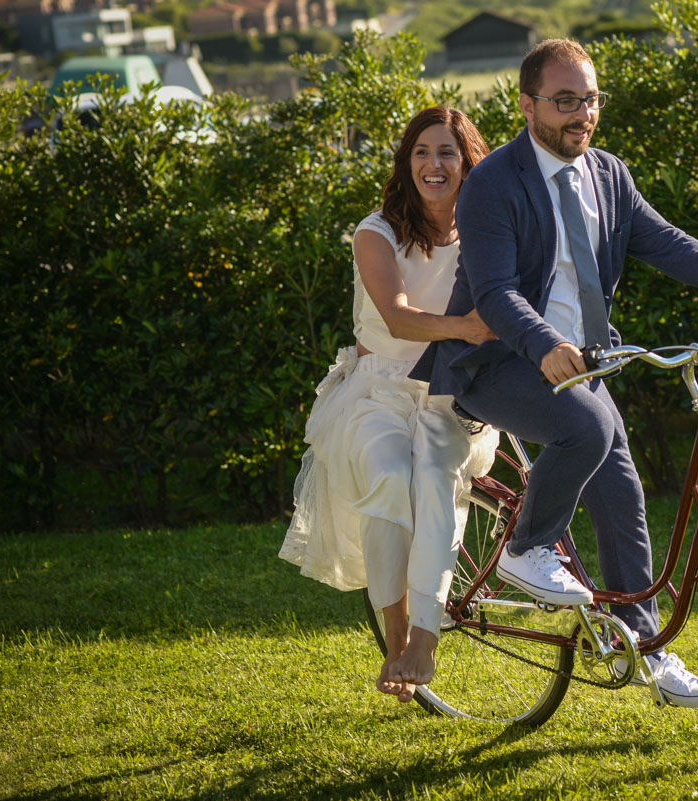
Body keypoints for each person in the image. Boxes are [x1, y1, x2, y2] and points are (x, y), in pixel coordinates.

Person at [411, 40, 698, 708]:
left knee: (623, 494)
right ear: (527, 105)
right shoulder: (492, 183)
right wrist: (542, 340)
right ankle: (527, 547)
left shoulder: (609, 174)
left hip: (583, 361)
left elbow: (664, 242)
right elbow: (493, 291)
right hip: (498, 360)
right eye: (565, 101)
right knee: (584, 429)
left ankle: (645, 646)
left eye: (591, 99)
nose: (582, 114)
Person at [280, 106, 499, 703]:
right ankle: (396, 634)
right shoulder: (376, 231)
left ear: (467, 162)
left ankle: (425, 637)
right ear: (407, 163)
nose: (434, 163)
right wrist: (467, 327)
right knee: (387, 475)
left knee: (433, 479)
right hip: (377, 391)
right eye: (422, 152)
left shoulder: (485, 231)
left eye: (447, 152)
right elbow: (398, 317)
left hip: (449, 393)